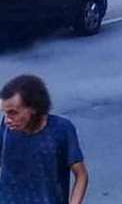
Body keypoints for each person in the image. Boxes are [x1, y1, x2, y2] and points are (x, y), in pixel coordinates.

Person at [0, 75, 88, 204]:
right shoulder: (6, 129)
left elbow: (81, 175)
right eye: (5, 113)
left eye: (13, 113)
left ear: (34, 108)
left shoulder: (61, 129)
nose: (8, 119)